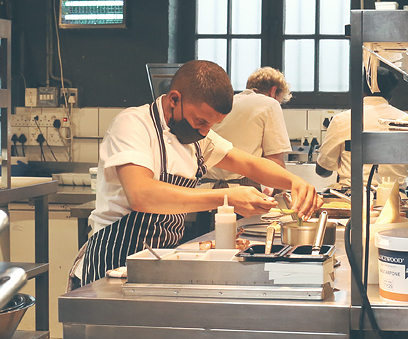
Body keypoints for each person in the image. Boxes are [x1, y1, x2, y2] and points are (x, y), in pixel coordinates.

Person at [71, 60, 319, 286]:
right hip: (113, 262)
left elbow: (250, 165)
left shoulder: (199, 138)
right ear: (174, 99)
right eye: (201, 121)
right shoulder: (133, 124)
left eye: (212, 124)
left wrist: (296, 182)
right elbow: (142, 194)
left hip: (159, 261)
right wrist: (227, 198)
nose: (205, 131)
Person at [316, 62, 408, 195]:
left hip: (352, 199)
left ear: (360, 91)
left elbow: (322, 170)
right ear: (390, 94)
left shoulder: (342, 120)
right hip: (394, 200)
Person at [205, 66, 292, 183]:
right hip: (242, 187)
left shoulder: (227, 102)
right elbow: (276, 161)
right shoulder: (270, 104)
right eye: (280, 100)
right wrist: (281, 190)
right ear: (273, 91)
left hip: (206, 186)